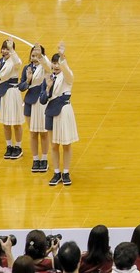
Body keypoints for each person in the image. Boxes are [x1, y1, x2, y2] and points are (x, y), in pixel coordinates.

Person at [41, 43, 78, 186]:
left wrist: (63, 57)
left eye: (58, 63)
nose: (56, 66)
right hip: (50, 112)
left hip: (63, 112)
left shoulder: (67, 77)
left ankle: (66, 172)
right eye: (54, 63)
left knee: (66, 144)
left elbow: (67, 70)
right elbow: (43, 99)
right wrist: (48, 88)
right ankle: (56, 172)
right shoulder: (48, 78)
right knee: (54, 145)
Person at [0, 39, 25, 160]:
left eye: (7, 48)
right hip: (3, 94)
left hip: (12, 92)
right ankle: (9, 146)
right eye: (4, 48)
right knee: (6, 122)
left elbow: (18, 63)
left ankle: (18, 146)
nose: (5, 50)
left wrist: (12, 50)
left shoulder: (15, 61)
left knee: (16, 122)